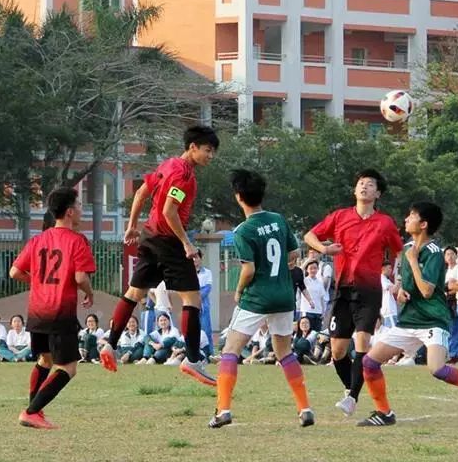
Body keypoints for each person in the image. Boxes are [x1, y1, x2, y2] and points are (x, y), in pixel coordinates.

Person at [357, 202, 458, 427]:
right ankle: (384, 413)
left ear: (423, 224)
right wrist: (401, 291)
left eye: (411, 216)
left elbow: (427, 290)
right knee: (370, 362)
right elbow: (410, 286)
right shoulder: (407, 248)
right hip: (410, 320)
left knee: (437, 369)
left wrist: (413, 261)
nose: (406, 219)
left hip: (433, 319)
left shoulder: (433, 252)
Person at [101, 126, 219, 388]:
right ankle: (192, 359)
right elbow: (169, 212)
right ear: (193, 147)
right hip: (168, 241)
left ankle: (110, 343)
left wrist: (132, 224)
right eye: (208, 150)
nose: (211, 156)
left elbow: (142, 192)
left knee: (134, 293)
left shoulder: (167, 165)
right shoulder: (184, 176)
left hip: (149, 236)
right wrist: (186, 244)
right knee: (193, 298)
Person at [210, 169, 313, 429]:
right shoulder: (278, 219)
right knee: (285, 353)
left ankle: (223, 410)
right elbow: (294, 252)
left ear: (238, 197)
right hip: (284, 295)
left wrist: (238, 291)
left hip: (258, 296)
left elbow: (249, 270)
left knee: (230, 351)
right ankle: (305, 409)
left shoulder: (243, 230)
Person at [304, 169, 404, 417]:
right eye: (360, 183)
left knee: (362, 342)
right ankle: (351, 387)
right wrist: (324, 250)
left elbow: (399, 251)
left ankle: (351, 397)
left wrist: (398, 279)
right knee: (337, 351)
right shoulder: (340, 217)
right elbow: (310, 235)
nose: (364, 187)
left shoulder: (385, 223)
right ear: (354, 190)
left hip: (369, 291)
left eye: (370, 185)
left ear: (377, 193)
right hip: (343, 290)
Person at [10, 186, 96, 429]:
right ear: (69, 212)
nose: (82, 211)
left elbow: (15, 271)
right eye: (79, 206)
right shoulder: (77, 241)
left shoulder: (38, 239)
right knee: (69, 367)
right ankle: (31, 411)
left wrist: (35, 280)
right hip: (60, 311)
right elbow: (80, 278)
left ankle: (35, 412)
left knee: (45, 359)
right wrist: (89, 293)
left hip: (37, 311)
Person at [443, 246, 458, 363]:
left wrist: (449, 290)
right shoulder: (445, 271)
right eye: (447, 254)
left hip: (456, 301)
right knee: (449, 329)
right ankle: (450, 352)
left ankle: (456, 353)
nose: (450, 257)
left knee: (457, 328)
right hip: (446, 303)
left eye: (452, 254)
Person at [300, 259, 328, 332]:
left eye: (315, 268)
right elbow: (299, 270)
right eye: (311, 268)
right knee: (307, 333)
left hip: (318, 312)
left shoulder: (319, 282)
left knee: (317, 333)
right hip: (307, 311)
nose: (313, 270)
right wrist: (308, 260)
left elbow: (322, 298)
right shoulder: (304, 281)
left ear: (318, 269)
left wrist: (323, 311)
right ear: (307, 270)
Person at [196, 258, 214, 348]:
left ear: (200, 259)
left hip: (203, 305)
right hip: (191, 305)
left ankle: (209, 352)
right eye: (192, 258)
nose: (194, 260)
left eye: (196, 257)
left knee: (206, 330)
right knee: (193, 330)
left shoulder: (207, 272)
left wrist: (196, 296)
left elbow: (208, 288)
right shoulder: (188, 273)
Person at [380, 260, 398, 329]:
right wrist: (399, 281)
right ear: (383, 268)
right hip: (388, 311)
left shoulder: (387, 280)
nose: (391, 270)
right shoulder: (381, 278)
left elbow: (396, 290)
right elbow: (393, 290)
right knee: (392, 334)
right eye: (389, 268)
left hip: (391, 311)